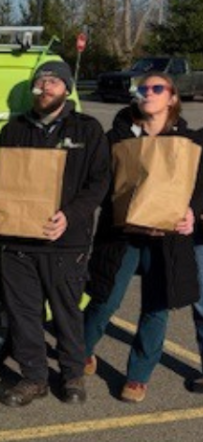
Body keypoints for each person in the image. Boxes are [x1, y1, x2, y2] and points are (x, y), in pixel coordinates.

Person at [0, 60, 110, 407]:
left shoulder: (87, 130)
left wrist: (70, 215)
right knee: (24, 315)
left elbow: (99, 183)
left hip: (66, 244)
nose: (45, 86)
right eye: (40, 81)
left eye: (53, 81)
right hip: (18, 244)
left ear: (66, 89)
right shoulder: (14, 130)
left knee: (67, 314)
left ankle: (71, 375)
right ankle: (33, 377)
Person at [84, 72, 201, 403]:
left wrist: (193, 212)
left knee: (156, 306)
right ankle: (81, 350)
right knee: (105, 298)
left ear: (172, 98)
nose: (148, 92)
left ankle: (138, 376)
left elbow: (199, 187)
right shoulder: (116, 138)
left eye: (157, 88)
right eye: (143, 88)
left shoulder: (188, 142)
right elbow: (98, 183)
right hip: (122, 235)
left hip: (166, 238)